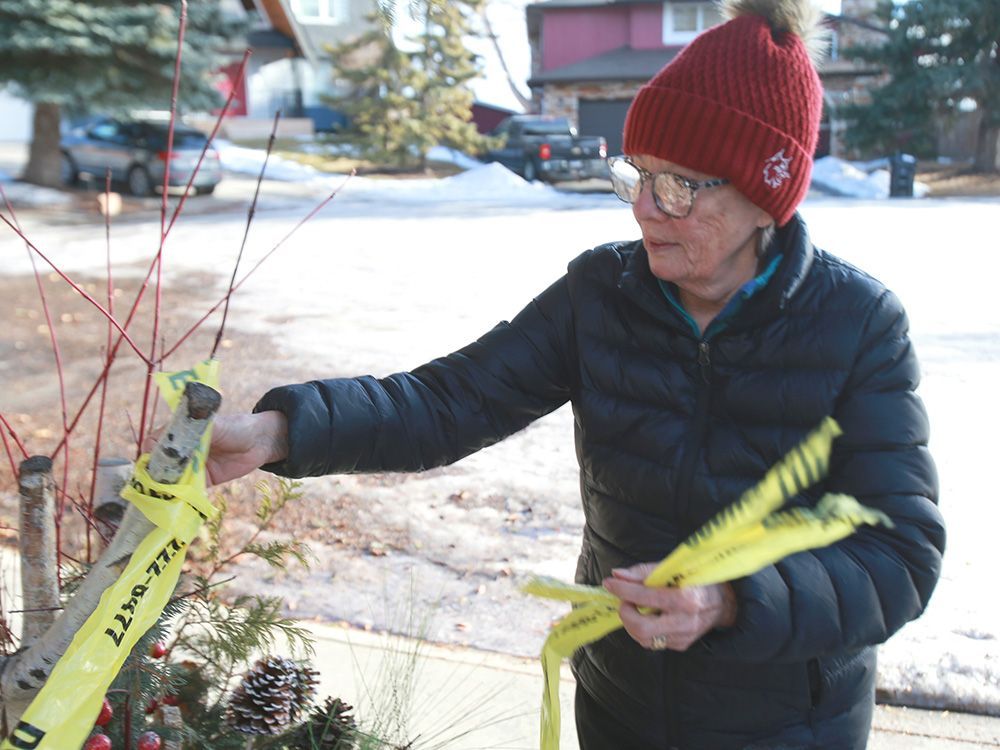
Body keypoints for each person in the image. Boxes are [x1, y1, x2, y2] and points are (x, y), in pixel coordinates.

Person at [207, 0, 945, 747]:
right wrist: (280, 431)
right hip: (620, 706)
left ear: (766, 195)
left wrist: (730, 603)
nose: (648, 211)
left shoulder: (857, 325)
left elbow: (901, 555)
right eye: (639, 177)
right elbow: (451, 401)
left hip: (788, 725)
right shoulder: (602, 294)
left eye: (682, 186)